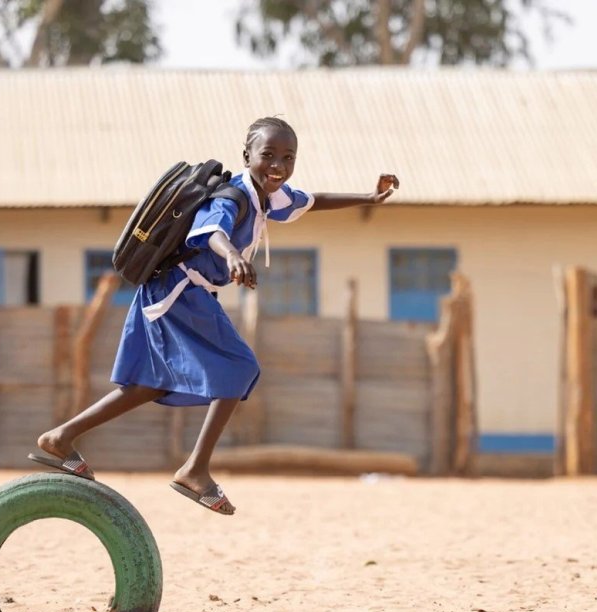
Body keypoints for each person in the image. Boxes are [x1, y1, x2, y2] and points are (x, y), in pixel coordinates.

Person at [29, 116, 399, 515]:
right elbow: (210, 232)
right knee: (238, 367)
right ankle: (195, 470)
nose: (278, 166)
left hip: (181, 293)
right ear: (247, 156)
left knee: (148, 385)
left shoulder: (268, 198)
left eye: (288, 158)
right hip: (179, 291)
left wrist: (369, 197)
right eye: (268, 155)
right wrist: (233, 255)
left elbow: (312, 200)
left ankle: (59, 438)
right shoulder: (234, 196)